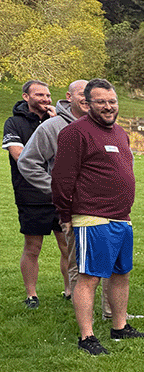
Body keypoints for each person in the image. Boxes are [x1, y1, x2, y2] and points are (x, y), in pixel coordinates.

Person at [52, 79, 144, 354]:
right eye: (101, 102)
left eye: (112, 101)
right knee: (89, 277)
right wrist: (65, 214)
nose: (108, 107)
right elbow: (61, 178)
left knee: (121, 273)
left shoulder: (120, 133)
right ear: (87, 103)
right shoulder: (75, 132)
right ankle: (87, 337)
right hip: (91, 216)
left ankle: (119, 327)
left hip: (121, 216)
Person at [18, 79, 92, 305]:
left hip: (98, 206)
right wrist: (57, 188)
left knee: (97, 259)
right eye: (82, 93)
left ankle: (110, 314)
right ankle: (78, 312)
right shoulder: (53, 127)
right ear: (69, 97)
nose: (88, 98)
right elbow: (27, 162)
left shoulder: (101, 124)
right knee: (66, 254)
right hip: (62, 204)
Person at [4, 79, 61, 308]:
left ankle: (70, 290)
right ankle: (32, 295)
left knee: (68, 245)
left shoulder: (58, 121)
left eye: (48, 96)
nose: (46, 100)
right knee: (33, 247)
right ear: (26, 97)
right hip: (31, 193)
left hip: (59, 194)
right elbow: (20, 156)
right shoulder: (14, 123)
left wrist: (57, 122)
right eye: (39, 95)